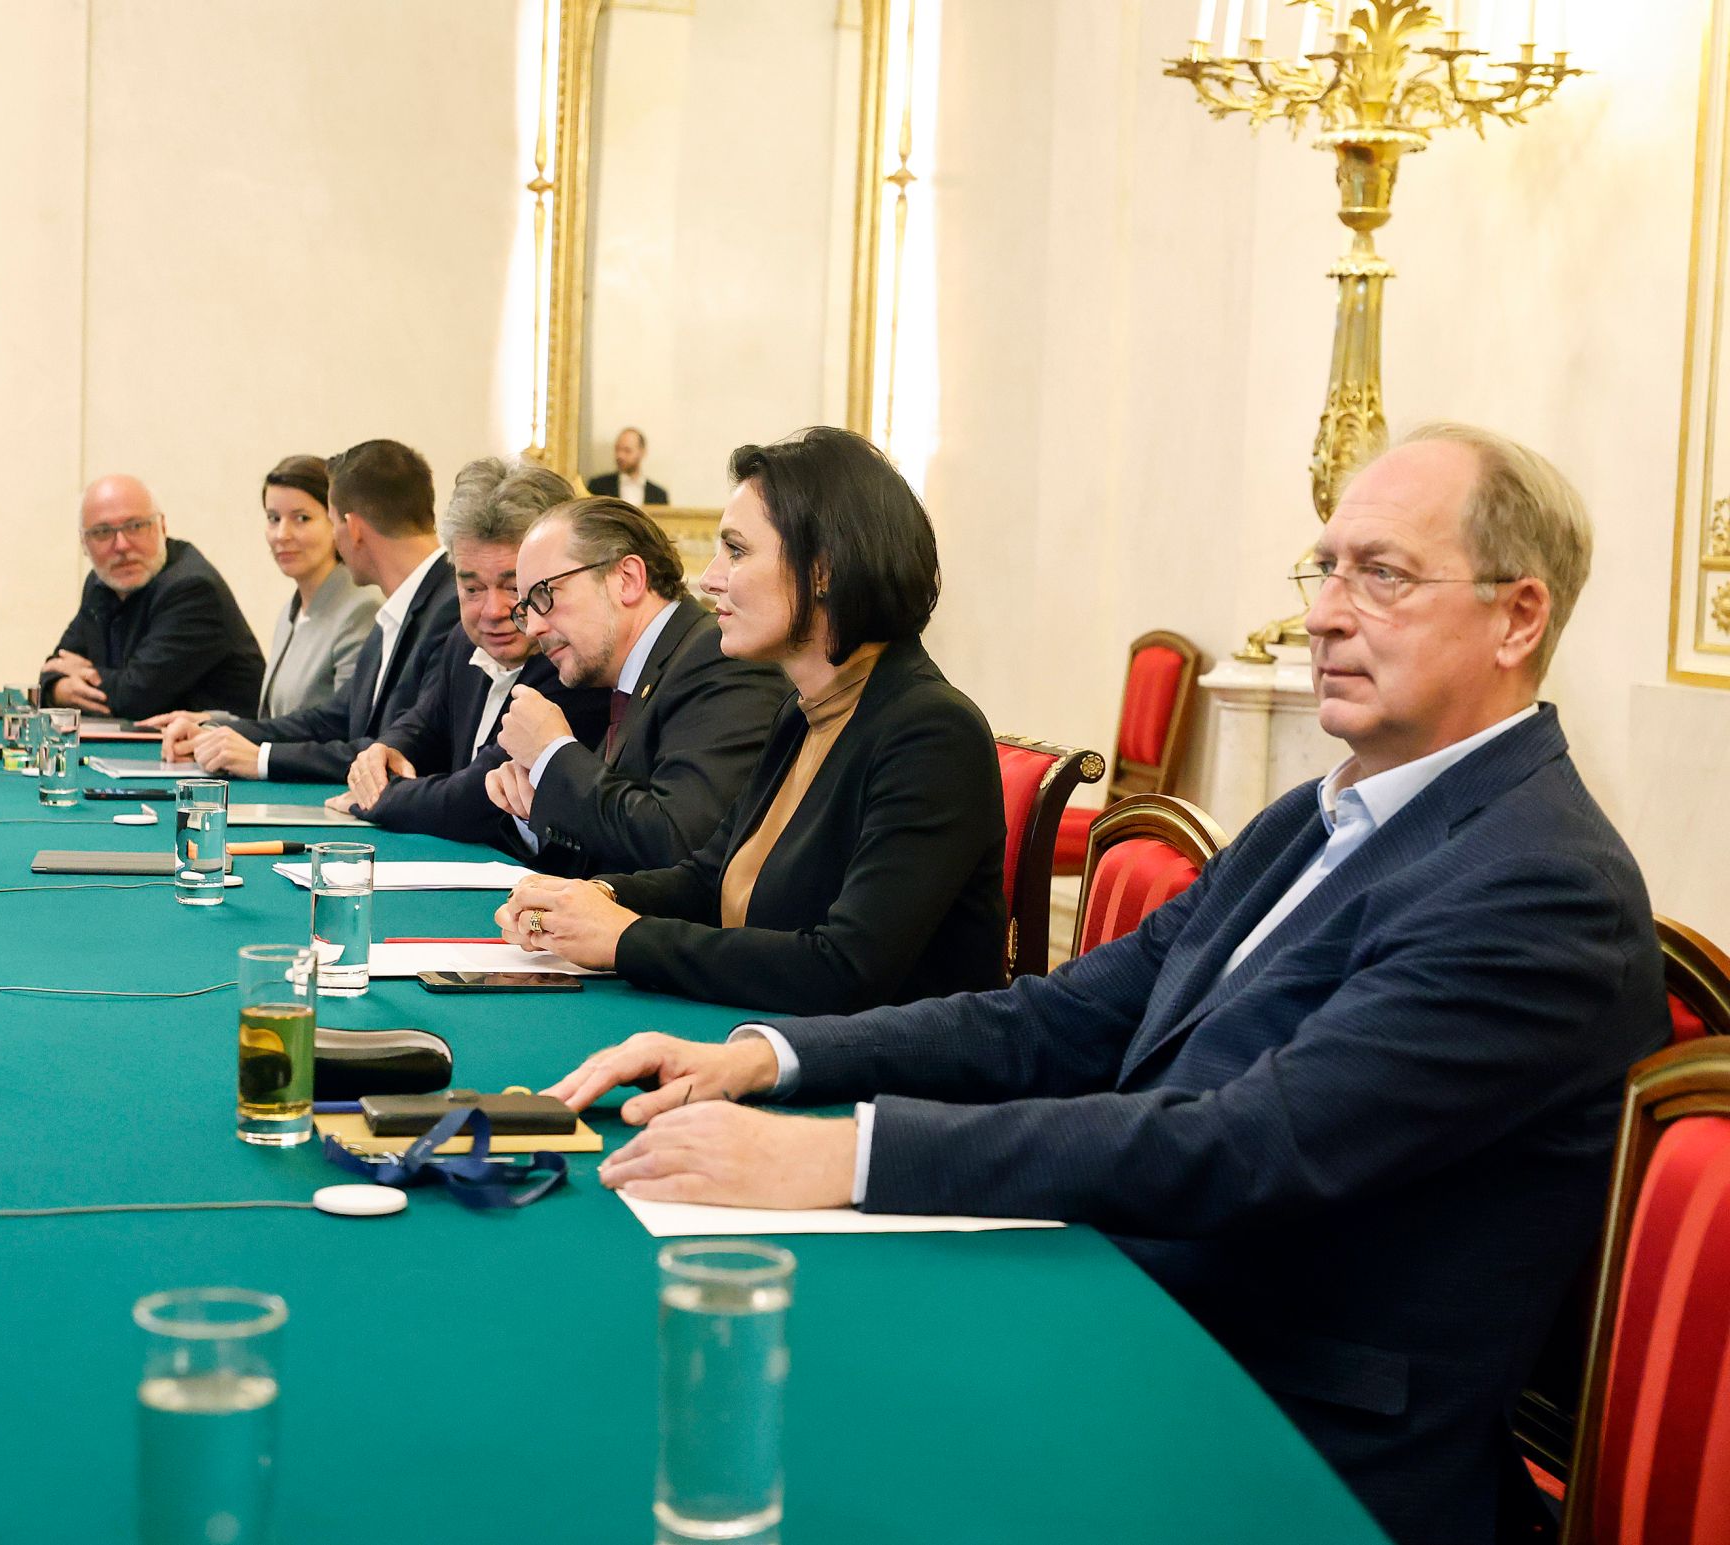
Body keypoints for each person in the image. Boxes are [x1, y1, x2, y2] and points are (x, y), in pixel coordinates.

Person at [537, 425, 1673, 1545]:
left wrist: (842, 1155)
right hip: (1146, 1306)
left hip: (1288, 1429)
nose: (1325, 611)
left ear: (1516, 617)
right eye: (1323, 569)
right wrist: (771, 1056)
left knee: (797, 1428)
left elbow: (1247, 1146)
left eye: (1379, 576)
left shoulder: (1534, 884)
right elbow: (1073, 1010)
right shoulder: (1317, 813)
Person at [496, 429, 1006, 1015]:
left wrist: (623, 938)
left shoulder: (931, 733)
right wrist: (593, 896)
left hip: (885, 1087)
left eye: (736, 551)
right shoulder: (801, 710)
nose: (709, 578)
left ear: (825, 570)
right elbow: (709, 877)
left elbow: (844, 970)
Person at [483, 496, 787, 875]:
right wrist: (529, 803)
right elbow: (607, 844)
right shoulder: (633, 677)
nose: (534, 628)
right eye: (526, 608)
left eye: (546, 595)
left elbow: (679, 844)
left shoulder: (719, 660)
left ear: (627, 579)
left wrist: (553, 753)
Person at [329, 458, 610, 844]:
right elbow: (423, 724)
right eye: (472, 589)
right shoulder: (463, 640)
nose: (492, 612)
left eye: (514, 587)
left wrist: (378, 797)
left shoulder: (572, 660)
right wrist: (384, 752)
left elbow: (474, 799)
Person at [155, 440, 459, 782]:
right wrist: (221, 732)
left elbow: (396, 753)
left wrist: (261, 758)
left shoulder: (450, 608)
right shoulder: (400, 609)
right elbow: (333, 717)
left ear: (352, 528)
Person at [40, 475, 264, 718]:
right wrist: (58, 689)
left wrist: (78, 682)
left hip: (211, 749)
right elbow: (55, 666)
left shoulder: (193, 589)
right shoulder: (101, 582)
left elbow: (134, 698)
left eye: (136, 526)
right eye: (103, 532)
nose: (122, 545)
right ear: (84, 543)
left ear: (162, 527)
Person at [249, 456, 379, 716]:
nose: (282, 535)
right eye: (273, 518)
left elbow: (345, 726)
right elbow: (275, 722)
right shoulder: (290, 611)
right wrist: (212, 723)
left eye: (302, 519)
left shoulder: (361, 609)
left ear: (336, 521)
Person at [586, 427, 669, 506]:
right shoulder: (597, 486)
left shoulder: (659, 495)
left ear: (642, 452)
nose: (620, 455)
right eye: (617, 449)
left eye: (627, 450)